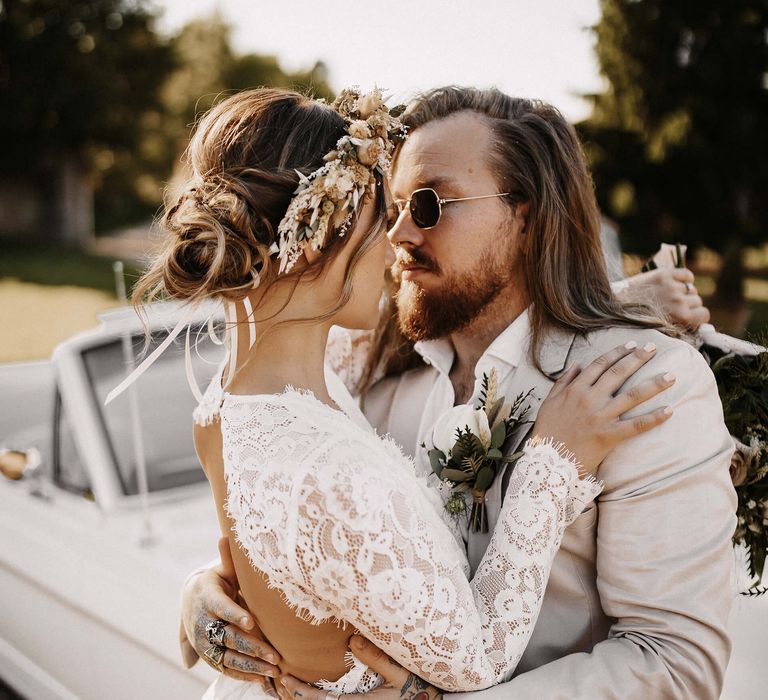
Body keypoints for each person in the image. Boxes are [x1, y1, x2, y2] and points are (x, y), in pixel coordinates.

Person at [180, 87, 737, 700]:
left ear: (526, 217)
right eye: (389, 209)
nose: (396, 235)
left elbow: (675, 667)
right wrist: (222, 589)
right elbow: (318, 529)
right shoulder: (362, 368)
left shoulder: (642, 382)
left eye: (427, 204)